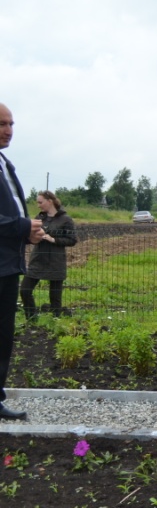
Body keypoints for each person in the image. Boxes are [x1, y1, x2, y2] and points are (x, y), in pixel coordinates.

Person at [0, 103, 45, 421]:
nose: (8, 130)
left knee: (3, 335)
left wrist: (28, 232)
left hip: (8, 263)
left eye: (11, 124)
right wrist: (21, 227)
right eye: (2, 124)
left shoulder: (5, 163)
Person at [21, 190, 77, 320]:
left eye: (40, 202)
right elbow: (31, 235)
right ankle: (31, 317)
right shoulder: (39, 218)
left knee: (55, 297)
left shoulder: (66, 220)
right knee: (25, 290)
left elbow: (72, 240)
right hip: (38, 259)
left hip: (55, 261)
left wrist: (53, 239)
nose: (38, 205)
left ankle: (55, 321)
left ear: (49, 201)